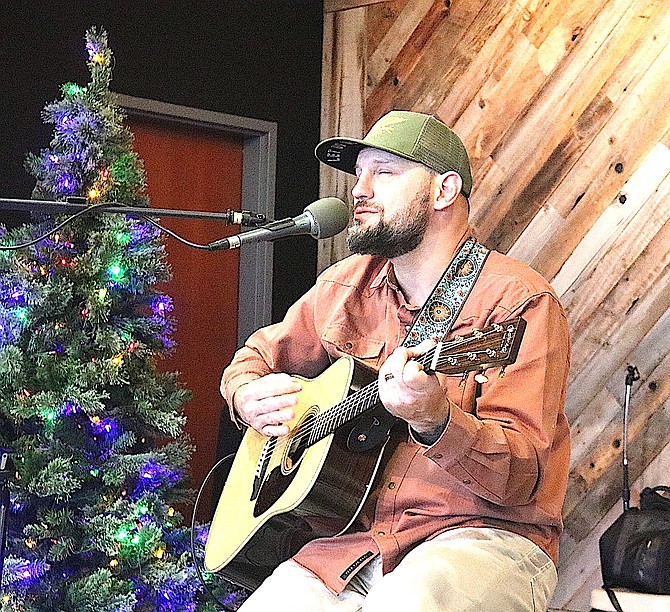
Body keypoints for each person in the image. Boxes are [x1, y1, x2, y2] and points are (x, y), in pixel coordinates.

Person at [220, 110, 571, 611]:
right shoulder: (346, 285)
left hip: (482, 540)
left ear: (444, 191)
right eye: (358, 174)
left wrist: (437, 420)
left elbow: (523, 478)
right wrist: (247, 393)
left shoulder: (517, 303)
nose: (359, 190)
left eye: (383, 172)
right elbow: (255, 358)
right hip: (352, 544)